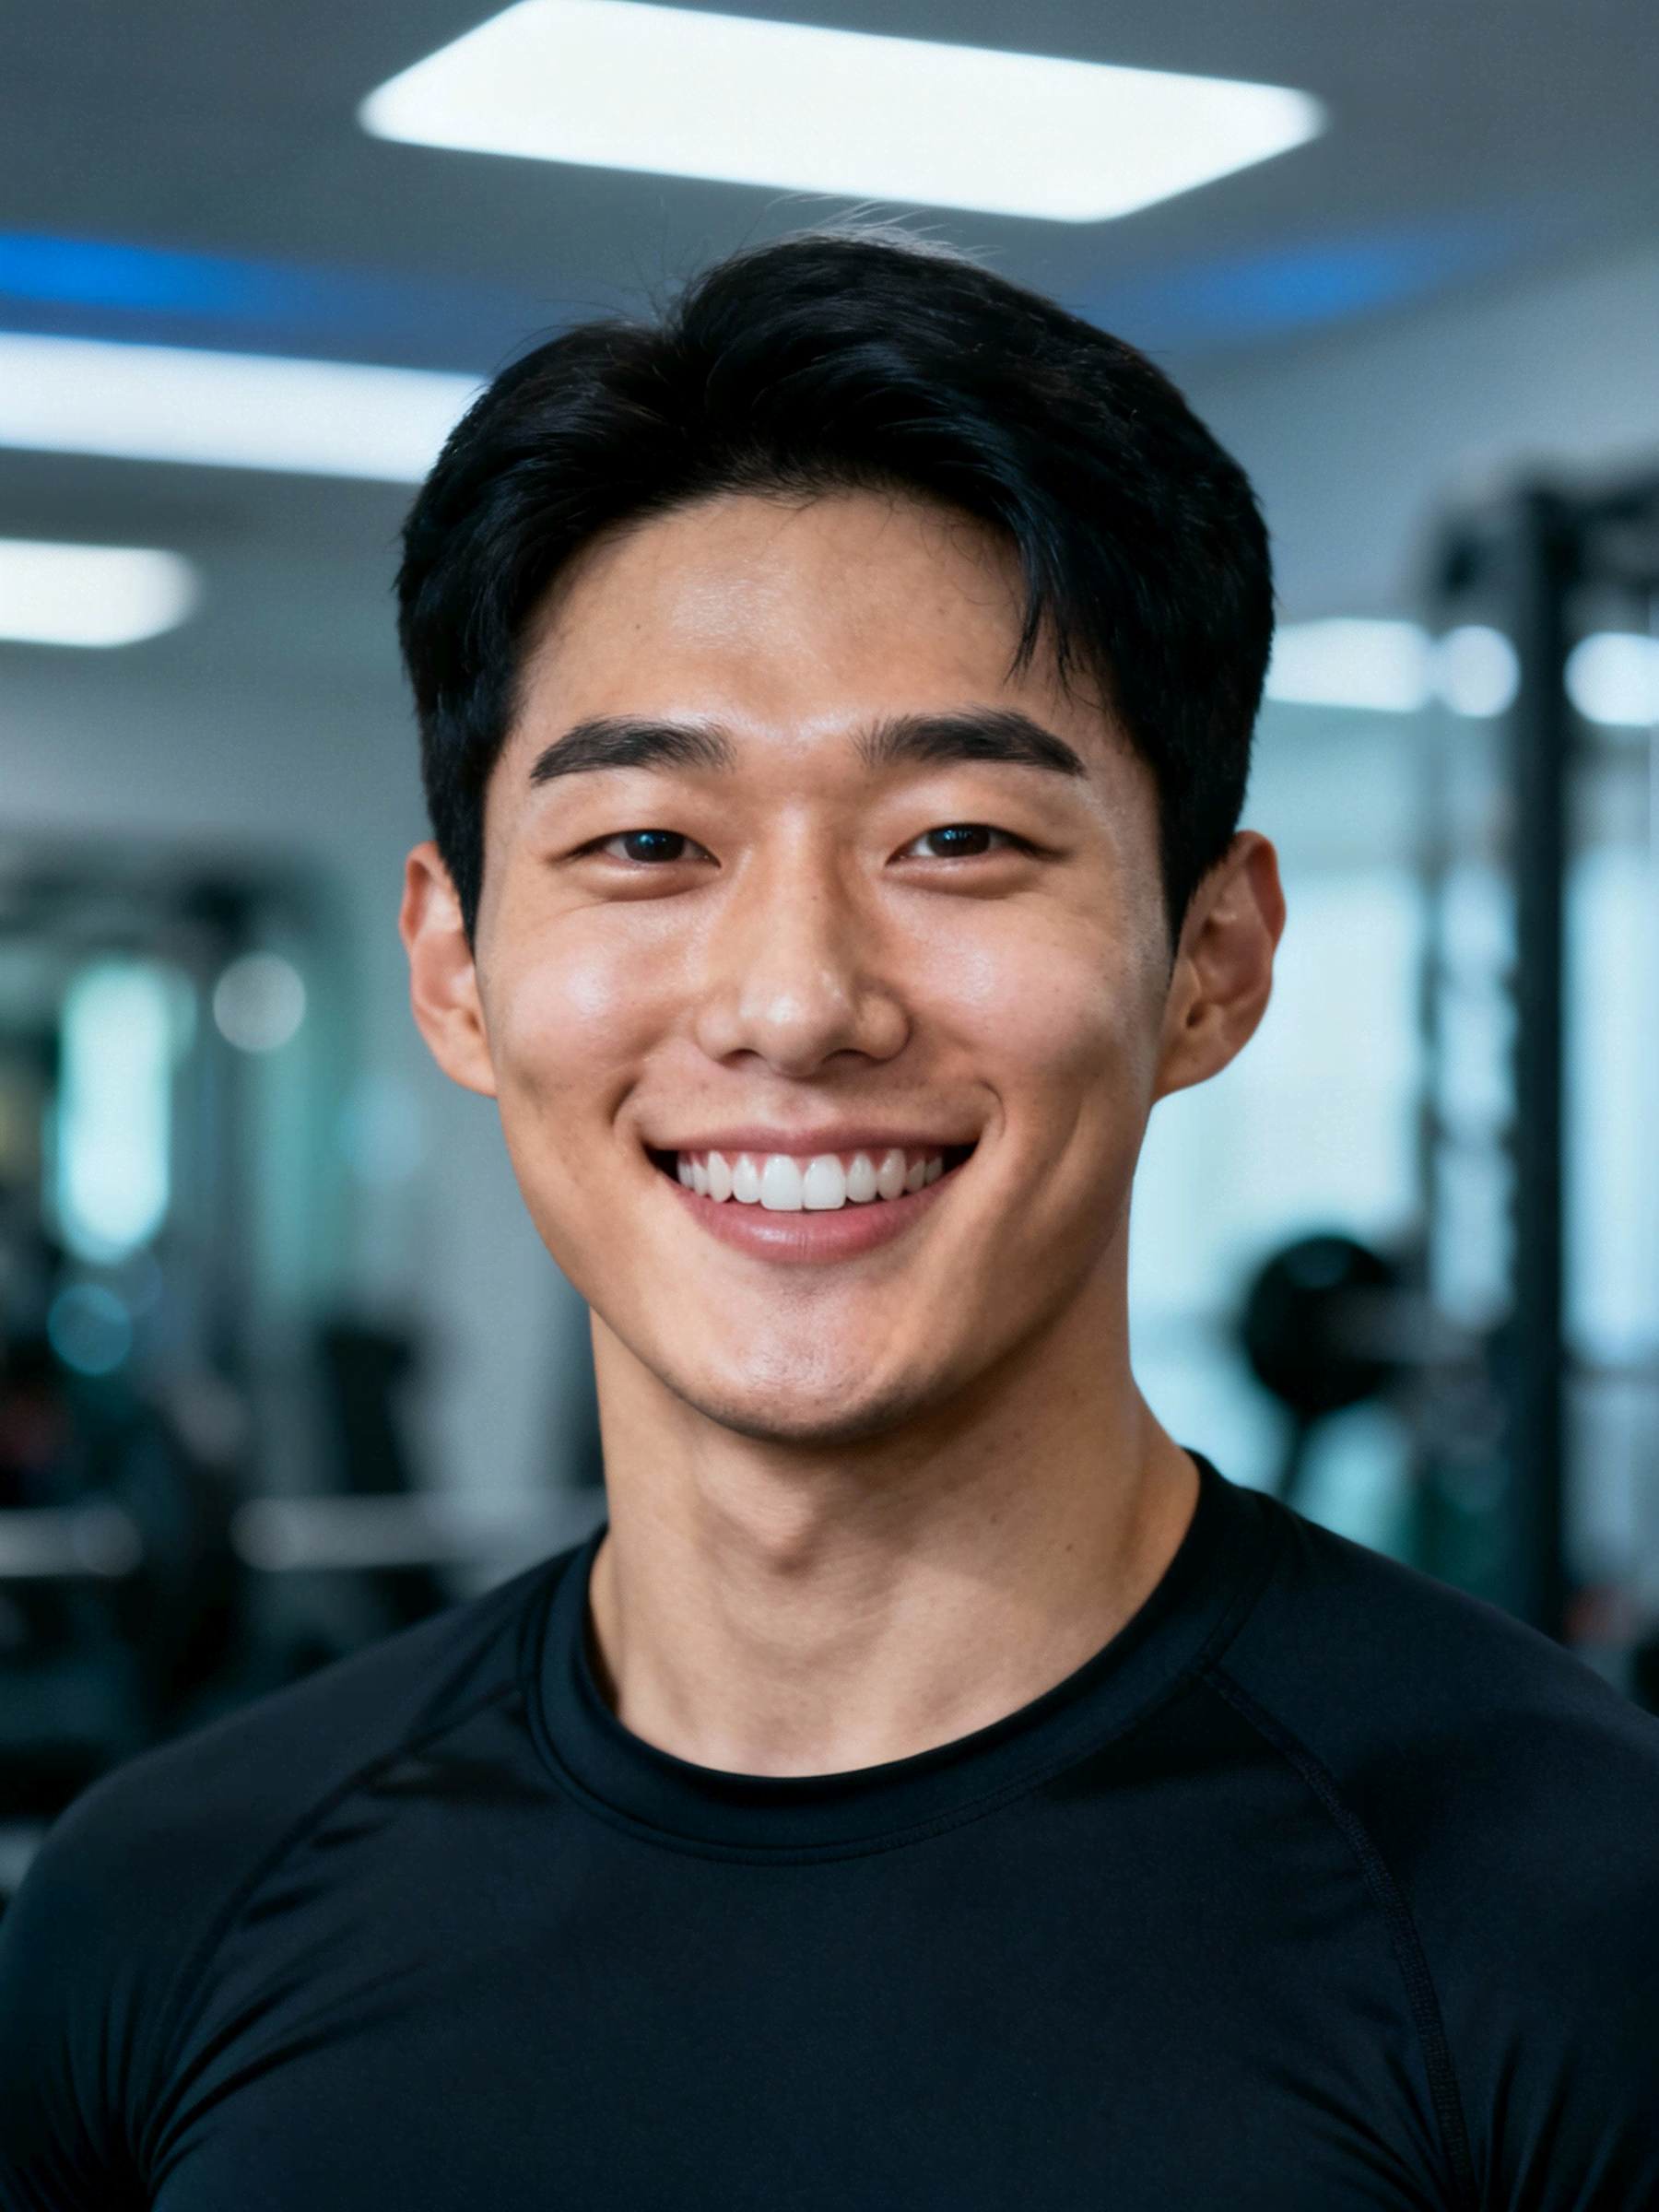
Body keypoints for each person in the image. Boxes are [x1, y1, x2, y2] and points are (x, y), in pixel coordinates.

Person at [2, 230, 1656, 2212]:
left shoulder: (1577, 1911)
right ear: (453, 973)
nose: (794, 1002)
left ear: (1213, 962)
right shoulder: (159, 1908)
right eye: (647, 843)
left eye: (958, 838)